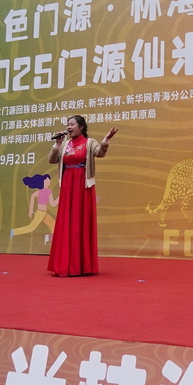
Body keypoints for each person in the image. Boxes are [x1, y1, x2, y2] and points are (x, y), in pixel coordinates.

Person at [46, 116, 118, 277]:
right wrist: (57, 144)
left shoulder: (89, 142)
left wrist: (106, 140)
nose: (68, 127)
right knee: (66, 221)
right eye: (67, 125)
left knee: (81, 220)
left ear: (81, 127)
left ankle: (84, 265)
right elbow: (51, 160)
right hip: (68, 185)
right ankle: (65, 264)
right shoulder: (65, 144)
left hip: (83, 185)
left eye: (72, 124)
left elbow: (100, 153)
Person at [11, 174, 58, 238]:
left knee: (53, 225)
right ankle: (13, 232)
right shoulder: (48, 191)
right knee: (30, 228)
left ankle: (50, 238)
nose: (49, 181)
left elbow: (32, 196)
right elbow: (53, 204)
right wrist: (60, 197)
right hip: (41, 213)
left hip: (43, 213)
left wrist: (31, 210)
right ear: (44, 181)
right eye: (48, 179)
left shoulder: (41, 191)